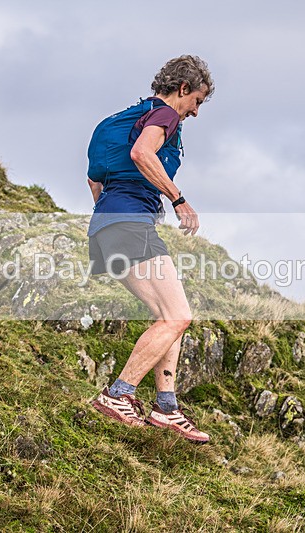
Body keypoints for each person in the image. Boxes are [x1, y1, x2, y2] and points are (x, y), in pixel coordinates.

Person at [87, 55, 214, 443]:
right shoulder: (164, 116)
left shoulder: (113, 122)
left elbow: (94, 178)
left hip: (106, 225)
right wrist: (178, 200)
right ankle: (119, 394)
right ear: (183, 89)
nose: (195, 112)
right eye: (198, 101)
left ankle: (166, 406)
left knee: (167, 315)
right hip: (129, 222)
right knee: (178, 317)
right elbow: (142, 153)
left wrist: (114, 214)